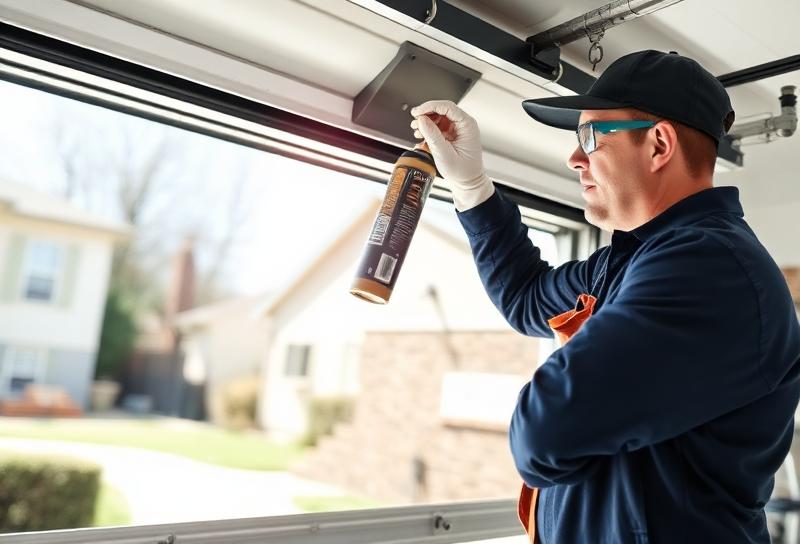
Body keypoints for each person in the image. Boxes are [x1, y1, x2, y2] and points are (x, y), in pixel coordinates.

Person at [410, 49, 800, 543]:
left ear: (659, 144)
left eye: (591, 136)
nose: (575, 157)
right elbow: (528, 297)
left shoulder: (710, 268)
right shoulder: (630, 263)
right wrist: (472, 186)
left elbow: (545, 432)